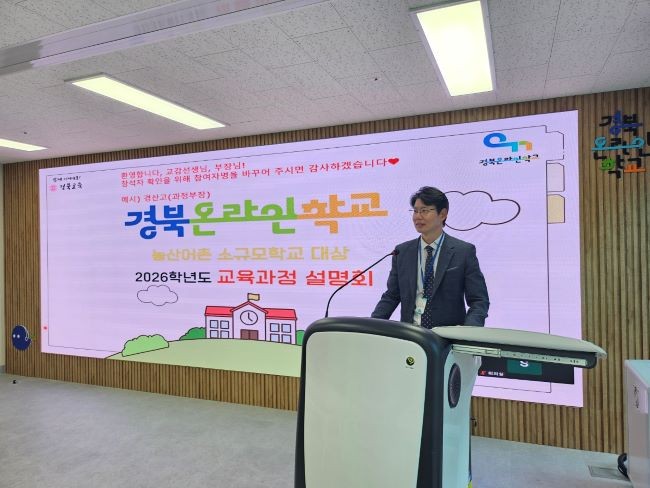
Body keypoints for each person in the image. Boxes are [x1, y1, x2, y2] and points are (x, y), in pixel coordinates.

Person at [371, 186, 489, 328]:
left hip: (447, 336)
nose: (418, 216)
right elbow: (391, 296)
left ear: (442, 214)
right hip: (410, 334)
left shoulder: (463, 252)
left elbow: (479, 300)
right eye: (415, 211)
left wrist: (468, 332)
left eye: (424, 211)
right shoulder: (402, 251)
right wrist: (370, 326)